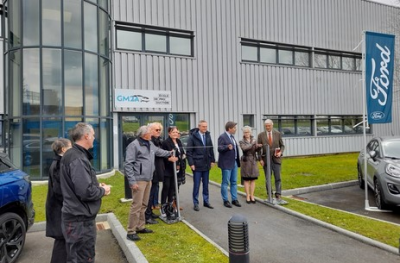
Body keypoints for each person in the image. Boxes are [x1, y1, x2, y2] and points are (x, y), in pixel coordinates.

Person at [60, 123, 111, 263]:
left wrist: (95, 185)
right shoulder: (77, 158)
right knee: (83, 257)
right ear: (86, 136)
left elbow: (76, 184)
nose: (94, 138)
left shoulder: (72, 154)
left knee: (75, 256)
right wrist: (102, 190)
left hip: (75, 217)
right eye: (93, 135)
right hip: (80, 221)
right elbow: (85, 192)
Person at [125, 125, 177, 241]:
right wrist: (132, 181)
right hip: (139, 180)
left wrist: (169, 153)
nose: (152, 133)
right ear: (144, 134)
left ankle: (140, 226)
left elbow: (158, 152)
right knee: (136, 205)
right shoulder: (134, 145)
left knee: (144, 204)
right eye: (150, 131)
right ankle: (131, 231)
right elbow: (128, 164)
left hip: (148, 179)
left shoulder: (150, 144)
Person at [45, 138, 72, 263]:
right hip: (59, 209)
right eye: (70, 146)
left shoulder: (58, 163)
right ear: (63, 149)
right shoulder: (59, 165)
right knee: (62, 241)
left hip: (58, 208)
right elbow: (59, 191)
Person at [186, 120, 215, 211]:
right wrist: (191, 164)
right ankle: (196, 203)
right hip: (197, 164)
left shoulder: (208, 135)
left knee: (206, 184)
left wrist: (212, 160)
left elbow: (211, 148)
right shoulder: (192, 137)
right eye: (203, 126)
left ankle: (206, 201)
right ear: (199, 127)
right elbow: (189, 152)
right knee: (197, 185)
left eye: (206, 126)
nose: (205, 128)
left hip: (206, 164)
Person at [257, 119, 287, 205]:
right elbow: (258, 149)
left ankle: (278, 195)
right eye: (266, 126)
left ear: (272, 125)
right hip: (266, 160)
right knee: (268, 178)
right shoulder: (261, 135)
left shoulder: (277, 134)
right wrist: (260, 159)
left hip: (276, 159)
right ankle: (269, 195)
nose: (267, 127)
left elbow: (282, 145)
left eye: (269, 125)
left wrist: (280, 152)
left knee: (278, 177)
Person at [161, 126, 186, 220]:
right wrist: (169, 159)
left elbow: (181, 153)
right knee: (166, 187)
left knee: (173, 187)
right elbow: (162, 155)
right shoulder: (165, 143)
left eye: (176, 132)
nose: (175, 133)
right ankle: (163, 207)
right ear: (169, 133)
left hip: (177, 168)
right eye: (173, 132)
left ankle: (170, 206)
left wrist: (180, 160)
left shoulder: (178, 141)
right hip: (168, 169)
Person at [218, 121, 241, 208]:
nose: (235, 129)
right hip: (226, 163)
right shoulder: (222, 137)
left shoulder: (232, 137)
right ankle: (226, 200)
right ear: (229, 128)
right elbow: (219, 148)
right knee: (225, 182)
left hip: (234, 162)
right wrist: (227, 147)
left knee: (234, 182)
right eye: (234, 128)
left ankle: (234, 199)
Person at [144, 122, 164, 224]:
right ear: (150, 130)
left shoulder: (158, 141)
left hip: (157, 170)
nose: (159, 132)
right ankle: (147, 216)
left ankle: (150, 212)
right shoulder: (150, 142)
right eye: (157, 130)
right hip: (152, 171)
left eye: (160, 130)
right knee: (149, 194)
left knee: (154, 192)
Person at [239, 126, 262, 204]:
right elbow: (244, 149)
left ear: (250, 132)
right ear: (243, 133)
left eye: (248, 132)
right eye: (245, 132)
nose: (247, 133)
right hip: (245, 161)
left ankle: (252, 195)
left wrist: (258, 147)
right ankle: (247, 196)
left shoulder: (254, 140)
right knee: (246, 179)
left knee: (253, 179)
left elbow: (256, 150)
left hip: (253, 161)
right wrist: (252, 144)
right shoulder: (241, 141)